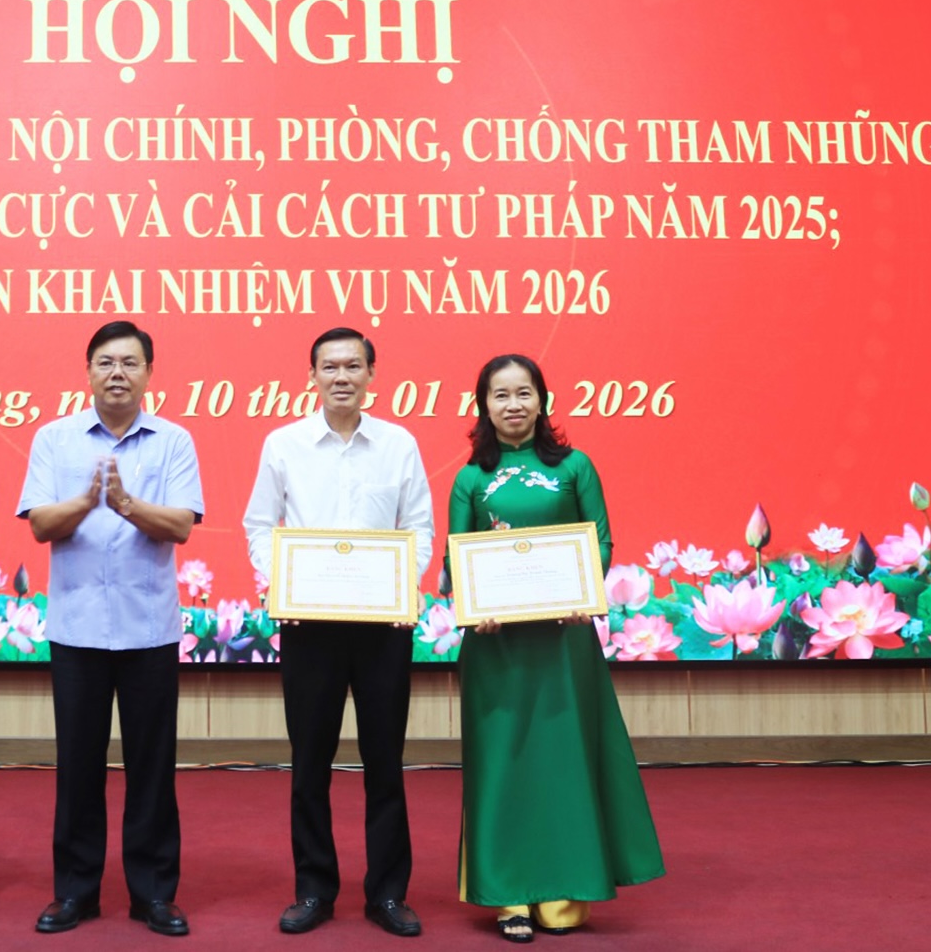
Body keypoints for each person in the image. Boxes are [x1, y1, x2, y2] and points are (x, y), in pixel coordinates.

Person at [448, 353, 664, 943]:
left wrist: (583, 590)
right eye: (500, 395)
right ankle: (508, 895)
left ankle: (563, 895)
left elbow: (601, 540)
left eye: (523, 393)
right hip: (496, 648)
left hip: (564, 641)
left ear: (542, 400)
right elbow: (456, 557)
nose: (513, 404)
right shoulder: (471, 479)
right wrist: (477, 606)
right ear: (483, 406)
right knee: (503, 765)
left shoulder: (575, 466)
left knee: (565, 761)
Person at [242, 327, 434, 938]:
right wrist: (278, 582)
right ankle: (314, 889)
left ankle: (388, 894)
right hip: (310, 626)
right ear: (312, 376)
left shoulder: (399, 444)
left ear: (372, 375)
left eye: (353, 366)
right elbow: (258, 525)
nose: (342, 377)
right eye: (330, 367)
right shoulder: (283, 444)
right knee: (310, 764)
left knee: (385, 762)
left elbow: (419, 527)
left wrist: (405, 585)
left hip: (382, 626)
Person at [17, 320, 204, 938]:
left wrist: (125, 504)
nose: (117, 373)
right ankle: (75, 892)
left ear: (149, 373)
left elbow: (181, 525)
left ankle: (154, 894)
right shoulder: (54, 438)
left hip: (149, 630)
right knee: (78, 768)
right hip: (77, 630)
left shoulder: (173, 440)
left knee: (153, 769)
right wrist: (87, 500)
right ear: (88, 371)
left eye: (129, 362)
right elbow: (40, 524)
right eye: (105, 362)